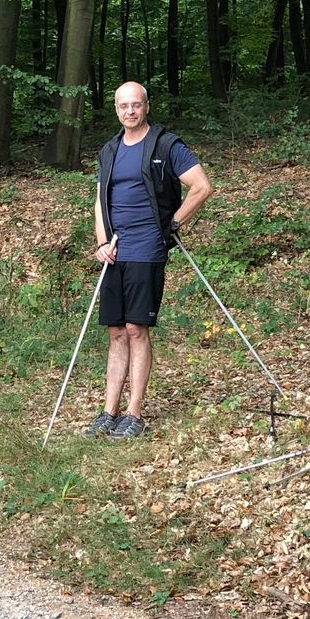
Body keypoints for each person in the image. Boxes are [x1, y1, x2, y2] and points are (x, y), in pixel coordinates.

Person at [88, 81, 212, 439]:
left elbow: (201, 186)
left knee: (135, 329)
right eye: (123, 105)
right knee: (115, 331)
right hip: (115, 251)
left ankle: (134, 413)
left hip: (147, 248)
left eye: (136, 105)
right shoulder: (109, 150)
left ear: (146, 107)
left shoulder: (165, 145)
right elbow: (100, 201)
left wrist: (172, 223)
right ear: (116, 109)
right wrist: (101, 242)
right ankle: (109, 411)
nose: (130, 111)